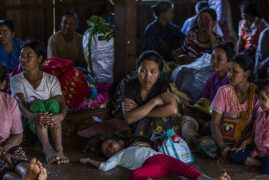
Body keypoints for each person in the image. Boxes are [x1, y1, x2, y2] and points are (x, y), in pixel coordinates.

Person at [10, 40, 69, 164]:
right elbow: (20, 103)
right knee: (36, 104)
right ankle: (47, 148)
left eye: (28, 56)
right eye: (21, 55)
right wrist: (33, 116)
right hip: (29, 127)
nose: (23, 59)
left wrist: (61, 115)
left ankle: (59, 149)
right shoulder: (16, 80)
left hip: (52, 127)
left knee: (53, 104)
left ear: (39, 58)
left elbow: (62, 103)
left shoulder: (51, 80)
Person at [197, 55, 259, 160]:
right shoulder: (223, 91)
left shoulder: (255, 93)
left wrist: (243, 141)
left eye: (235, 72)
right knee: (203, 144)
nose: (230, 75)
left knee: (261, 144)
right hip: (225, 137)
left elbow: (258, 124)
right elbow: (215, 123)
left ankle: (233, 154)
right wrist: (222, 146)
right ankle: (232, 154)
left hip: (246, 139)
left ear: (247, 73)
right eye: (229, 70)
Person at [80, 138, 231, 180]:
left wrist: (143, 145)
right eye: (107, 151)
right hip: (151, 165)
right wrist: (88, 161)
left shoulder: (135, 144)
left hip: (163, 158)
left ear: (119, 141)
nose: (109, 148)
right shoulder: (118, 157)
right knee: (135, 175)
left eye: (109, 143)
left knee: (187, 170)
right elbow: (104, 166)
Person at [181, 42, 234, 145]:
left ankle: (201, 141)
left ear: (229, 62)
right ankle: (195, 138)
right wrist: (190, 103)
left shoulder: (231, 83)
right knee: (187, 119)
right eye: (213, 57)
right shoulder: (212, 79)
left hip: (221, 120)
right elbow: (202, 99)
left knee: (212, 127)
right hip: (207, 116)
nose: (213, 61)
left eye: (219, 59)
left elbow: (230, 112)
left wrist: (210, 123)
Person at [122, 51, 178, 138]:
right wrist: (154, 102)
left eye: (153, 72)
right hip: (137, 129)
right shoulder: (130, 85)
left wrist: (139, 110)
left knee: (162, 119)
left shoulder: (162, 85)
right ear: (137, 70)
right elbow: (129, 118)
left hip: (159, 129)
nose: (148, 76)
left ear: (159, 72)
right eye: (143, 71)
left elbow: (173, 109)